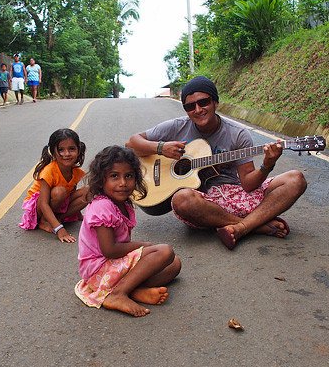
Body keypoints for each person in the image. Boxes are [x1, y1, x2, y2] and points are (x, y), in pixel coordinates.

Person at [126, 76, 307, 251]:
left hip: (236, 194)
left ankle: (241, 227)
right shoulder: (177, 126)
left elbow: (248, 184)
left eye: (203, 102)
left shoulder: (238, 134)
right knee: (181, 200)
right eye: (190, 106)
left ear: (215, 102)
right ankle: (254, 224)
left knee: (296, 179)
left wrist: (267, 165)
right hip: (203, 204)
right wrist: (160, 148)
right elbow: (132, 143)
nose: (197, 110)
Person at [75, 146, 181, 317]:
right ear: (101, 180)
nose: (123, 183)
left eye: (129, 176)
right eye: (114, 176)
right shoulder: (102, 206)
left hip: (112, 268)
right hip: (99, 270)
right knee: (165, 251)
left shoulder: (122, 204)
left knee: (174, 264)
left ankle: (134, 290)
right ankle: (118, 294)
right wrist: (143, 245)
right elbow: (109, 250)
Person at [20, 128, 90, 242]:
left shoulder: (76, 172)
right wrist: (59, 229)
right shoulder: (48, 171)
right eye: (61, 150)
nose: (66, 154)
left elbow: (72, 192)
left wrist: (77, 214)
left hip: (57, 203)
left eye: (71, 149)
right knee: (59, 192)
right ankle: (44, 221)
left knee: (89, 191)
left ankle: (58, 218)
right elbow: (43, 203)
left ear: (78, 150)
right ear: (53, 152)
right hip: (38, 207)